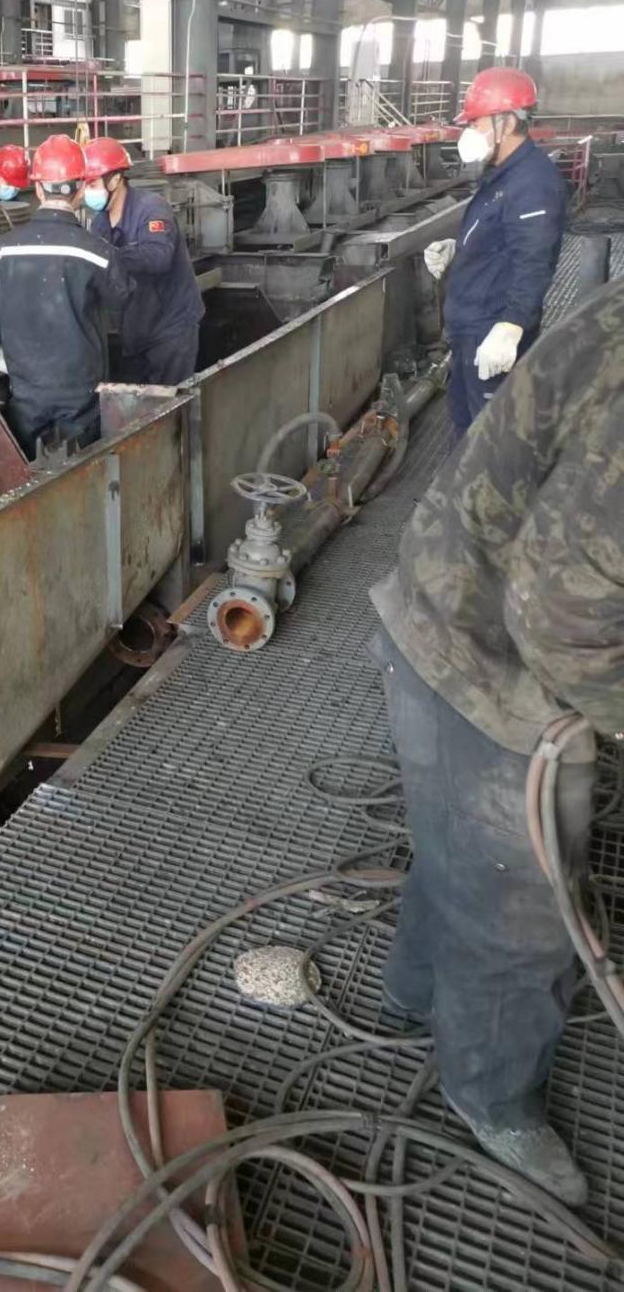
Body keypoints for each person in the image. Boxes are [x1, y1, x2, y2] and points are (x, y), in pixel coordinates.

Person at [369, 275, 624, 1207]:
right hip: (484, 656)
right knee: (523, 913)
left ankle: (409, 998)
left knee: (454, 852)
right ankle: (490, 1097)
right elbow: (560, 614)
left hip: (446, 599)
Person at [0, 134, 133, 458]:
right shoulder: (96, 252)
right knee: (84, 468)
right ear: (80, 189)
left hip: (26, 389)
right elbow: (122, 300)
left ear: (38, 189)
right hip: (81, 391)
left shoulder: (3, 249)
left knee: (25, 471)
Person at [423, 67, 567, 441]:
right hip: (470, 330)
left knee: (491, 440)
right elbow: (500, 237)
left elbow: (534, 262)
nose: (470, 132)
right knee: (466, 429)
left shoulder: (532, 183)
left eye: (476, 122)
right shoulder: (502, 173)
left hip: (491, 336)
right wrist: (459, 250)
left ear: (507, 122)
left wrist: (511, 327)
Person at [82, 137, 204, 386]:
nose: (87, 192)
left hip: (171, 329)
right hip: (135, 330)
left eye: (92, 184)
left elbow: (158, 256)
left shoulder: (152, 208)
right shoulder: (100, 222)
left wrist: (109, 256)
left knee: (170, 401)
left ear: (115, 180)